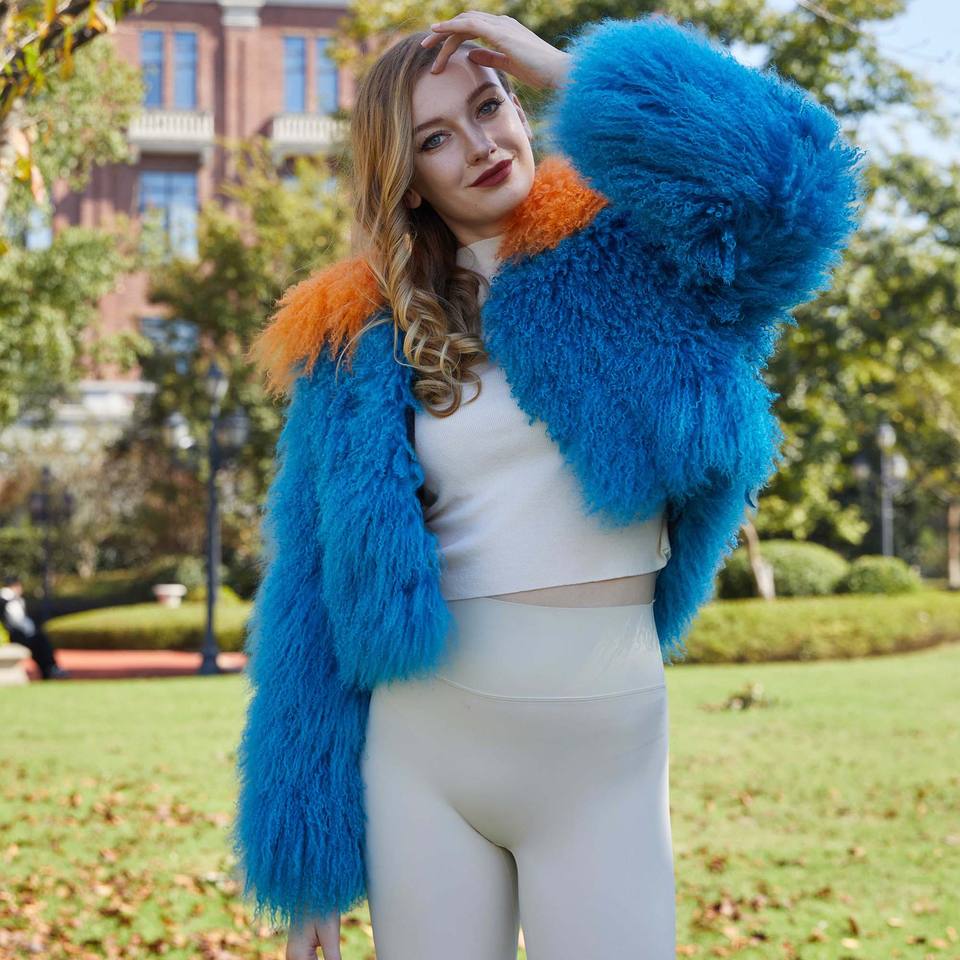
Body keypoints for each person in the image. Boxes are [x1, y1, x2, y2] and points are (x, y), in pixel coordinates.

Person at [232, 11, 864, 960]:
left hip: (602, 749)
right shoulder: (356, 337)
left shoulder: (648, 260)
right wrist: (307, 865)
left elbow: (796, 187)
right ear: (406, 178)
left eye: (489, 106)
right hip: (423, 754)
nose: (480, 145)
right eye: (435, 139)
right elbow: (312, 593)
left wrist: (569, 70)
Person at [0, 575, 70, 680]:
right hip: (14, 635)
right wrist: (31, 631)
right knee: (41, 641)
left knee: (39, 643)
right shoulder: (10, 599)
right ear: (16, 586)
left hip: (11, 635)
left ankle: (49, 669)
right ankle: (49, 669)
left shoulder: (6, 597)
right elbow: (18, 620)